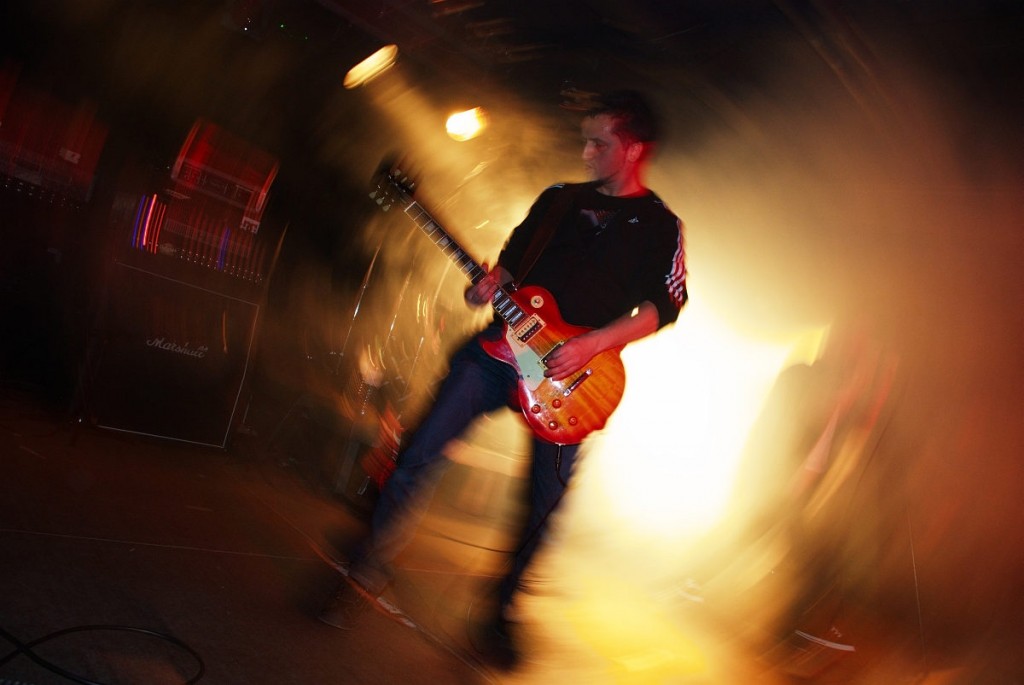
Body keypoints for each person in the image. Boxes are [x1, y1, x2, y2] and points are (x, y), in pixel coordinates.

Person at [318, 90, 689, 666]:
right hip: (498, 353)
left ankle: (500, 614)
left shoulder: (661, 226)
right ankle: (362, 569)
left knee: (541, 505)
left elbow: (664, 306)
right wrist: (486, 287)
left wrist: (591, 343)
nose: (586, 152)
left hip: (575, 376)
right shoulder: (559, 200)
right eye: (585, 141)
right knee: (418, 452)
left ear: (634, 148)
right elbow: (511, 267)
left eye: (599, 143)